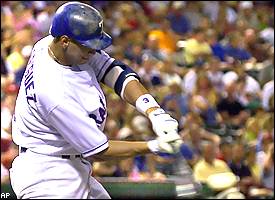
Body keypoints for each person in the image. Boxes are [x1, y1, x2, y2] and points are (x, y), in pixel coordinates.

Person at [9, 2, 182, 199]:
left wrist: (154, 111)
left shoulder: (51, 45)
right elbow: (100, 150)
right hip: (48, 176)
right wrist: (153, 146)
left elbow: (113, 72)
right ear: (65, 41)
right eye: (88, 47)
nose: (93, 52)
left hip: (69, 163)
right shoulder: (54, 92)